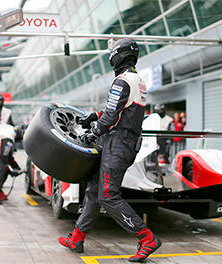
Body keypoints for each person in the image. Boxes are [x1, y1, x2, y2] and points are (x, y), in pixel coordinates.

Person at [58, 38, 161, 262]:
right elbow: (122, 111)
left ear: (117, 55)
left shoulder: (122, 81)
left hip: (117, 144)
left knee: (107, 196)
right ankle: (76, 238)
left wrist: (93, 130)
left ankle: (147, 238)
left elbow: (112, 116)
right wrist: (95, 117)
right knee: (95, 191)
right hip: (124, 143)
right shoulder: (137, 80)